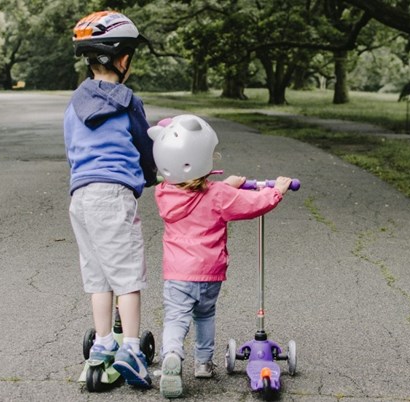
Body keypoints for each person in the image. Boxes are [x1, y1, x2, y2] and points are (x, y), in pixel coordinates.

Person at [147, 114, 292, 398]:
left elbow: (196, 191)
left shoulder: (164, 193)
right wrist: (276, 191)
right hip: (209, 273)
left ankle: (172, 356)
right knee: (205, 315)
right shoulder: (218, 195)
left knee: (176, 318)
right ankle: (203, 364)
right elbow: (251, 204)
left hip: (177, 273)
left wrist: (227, 184)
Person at [64, 11, 157, 388]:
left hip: (81, 197)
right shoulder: (127, 101)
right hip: (113, 196)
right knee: (127, 276)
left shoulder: (73, 104)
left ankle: (102, 344)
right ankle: (132, 349)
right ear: (123, 60)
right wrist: (152, 176)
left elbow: (72, 148)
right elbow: (145, 144)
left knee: (98, 276)